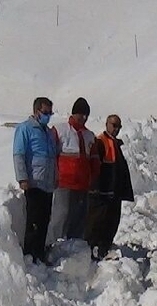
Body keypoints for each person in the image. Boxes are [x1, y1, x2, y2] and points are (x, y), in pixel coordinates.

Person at [13, 96, 57, 262]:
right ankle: (30, 255)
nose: (48, 116)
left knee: (45, 219)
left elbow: (52, 156)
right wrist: (22, 178)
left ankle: (40, 253)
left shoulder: (48, 131)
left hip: (47, 183)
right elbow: (19, 154)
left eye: (50, 113)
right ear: (36, 111)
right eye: (45, 112)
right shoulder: (25, 129)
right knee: (34, 221)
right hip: (34, 182)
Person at [84, 114, 135, 260]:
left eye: (119, 126)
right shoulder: (100, 142)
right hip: (102, 193)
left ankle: (104, 248)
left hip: (114, 193)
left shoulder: (115, 143)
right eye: (114, 125)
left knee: (111, 223)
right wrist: (96, 188)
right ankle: (92, 250)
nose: (116, 129)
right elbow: (95, 167)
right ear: (107, 124)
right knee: (97, 223)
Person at [50, 97, 100, 242]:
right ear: (73, 114)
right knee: (61, 215)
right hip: (64, 183)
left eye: (86, 116)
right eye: (81, 115)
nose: (83, 119)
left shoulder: (89, 136)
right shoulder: (60, 130)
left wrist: (93, 178)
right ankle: (54, 243)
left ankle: (74, 246)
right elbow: (50, 155)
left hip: (82, 184)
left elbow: (95, 160)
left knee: (79, 216)